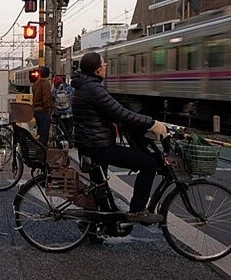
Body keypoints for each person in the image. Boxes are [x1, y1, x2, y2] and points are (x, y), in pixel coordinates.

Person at [71, 52, 167, 224]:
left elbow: (112, 112)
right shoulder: (94, 89)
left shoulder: (84, 86)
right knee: (149, 163)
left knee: (98, 186)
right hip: (99, 146)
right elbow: (121, 113)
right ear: (97, 69)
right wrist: (151, 124)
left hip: (89, 143)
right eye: (104, 64)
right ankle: (137, 211)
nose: (106, 66)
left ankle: (93, 226)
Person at [32, 66, 54, 146]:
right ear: (48, 74)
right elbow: (46, 97)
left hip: (36, 110)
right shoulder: (45, 83)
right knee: (44, 133)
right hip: (42, 111)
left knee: (40, 132)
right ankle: (43, 151)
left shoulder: (36, 83)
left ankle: (38, 148)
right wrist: (47, 109)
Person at [52, 75, 74, 145]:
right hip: (68, 112)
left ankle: (60, 142)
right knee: (69, 128)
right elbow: (71, 98)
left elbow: (53, 101)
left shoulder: (54, 90)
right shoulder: (68, 88)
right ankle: (69, 141)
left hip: (59, 113)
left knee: (60, 128)